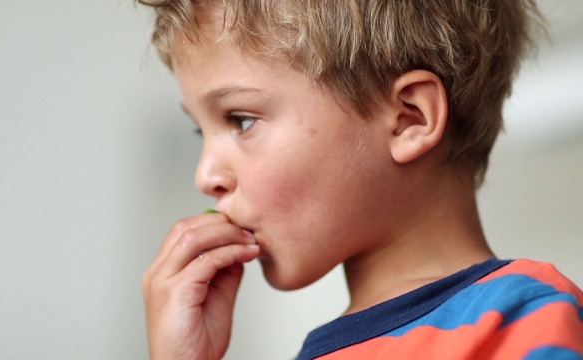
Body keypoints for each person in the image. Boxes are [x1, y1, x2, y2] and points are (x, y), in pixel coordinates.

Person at [138, 0, 583, 359]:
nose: (205, 175)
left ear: (410, 119)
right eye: (202, 129)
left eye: (242, 120)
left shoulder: (522, 318)